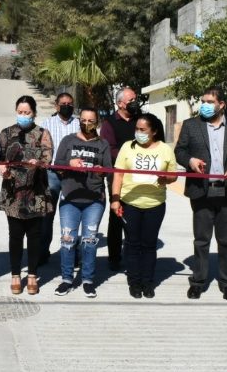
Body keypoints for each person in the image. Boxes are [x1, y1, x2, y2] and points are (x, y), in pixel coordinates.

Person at [174, 87, 227, 301]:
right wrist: (190, 161)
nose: (205, 105)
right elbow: (180, 151)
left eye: (210, 101)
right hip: (201, 191)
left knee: (225, 240)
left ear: (221, 104)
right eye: (203, 101)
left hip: (226, 192)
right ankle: (198, 281)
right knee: (201, 240)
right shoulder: (191, 126)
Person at [110, 113, 177, 299]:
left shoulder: (165, 149)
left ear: (154, 131)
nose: (138, 133)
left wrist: (166, 179)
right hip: (130, 203)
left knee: (149, 245)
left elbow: (174, 175)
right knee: (132, 244)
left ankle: (147, 282)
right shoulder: (127, 147)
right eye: (136, 129)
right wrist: (115, 199)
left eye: (142, 130)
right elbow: (118, 175)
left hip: (155, 204)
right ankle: (134, 281)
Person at [0, 95, 54, 295]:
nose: (23, 116)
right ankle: (15, 275)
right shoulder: (6, 133)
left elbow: (47, 158)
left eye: (27, 112)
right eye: (20, 112)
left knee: (34, 236)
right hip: (13, 192)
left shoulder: (42, 133)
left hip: (35, 191)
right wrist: (0, 167)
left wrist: (39, 164)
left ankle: (32, 275)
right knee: (15, 235)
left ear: (34, 113)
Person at [52, 107, 111, 298]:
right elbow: (56, 166)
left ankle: (88, 280)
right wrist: (68, 164)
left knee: (90, 241)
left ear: (97, 122)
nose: (87, 123)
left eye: (91, 120)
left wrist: (102, 170)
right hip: (70, 199)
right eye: (83, 120)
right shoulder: (68, 140)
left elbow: (109, 170)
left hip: (94, 200)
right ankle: (67, 279)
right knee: (68, 241)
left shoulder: (103, 144)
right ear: (79, 120)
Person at [100, 87, 153, 271]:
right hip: (118, 175)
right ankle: (114, 257)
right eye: (131, 99)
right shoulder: (109, 123)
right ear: (120, 103)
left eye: (135, 98)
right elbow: (110, 149)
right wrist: (132, 156)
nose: (134, 102)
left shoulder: (142, 119)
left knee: (138, 213)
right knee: (117, 216)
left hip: (142, 175)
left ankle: (136, 253)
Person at [39, 92, 80, 266]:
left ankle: (73, 253)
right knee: (46, 215)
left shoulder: (79, 124)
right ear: (56, 105)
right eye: (63, 103)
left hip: (73, 176)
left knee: (73, 215)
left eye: (70, 103)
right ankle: (42, 252)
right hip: (51, 175)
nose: (66, 106)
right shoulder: (46, 124)